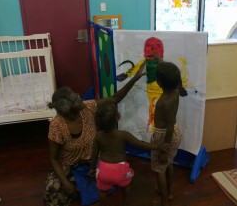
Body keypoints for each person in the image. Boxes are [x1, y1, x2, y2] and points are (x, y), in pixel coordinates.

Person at [43, 63, 146, 206]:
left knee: (111, 179)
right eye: (75, 99)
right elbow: (54, 159)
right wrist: (65, 182)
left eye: (77, 95)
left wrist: (134, 79)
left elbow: (115, 99)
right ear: (66, 108)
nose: (80, 98)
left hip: (91, 162)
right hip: (69, 166)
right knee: (53, 195)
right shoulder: (56, 125)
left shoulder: (88, 107)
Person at [88, 101, 169, 206]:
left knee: (103, 191)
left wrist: (92, 169)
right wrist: (158, 146)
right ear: (117, 117)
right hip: (120, 170)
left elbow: (94, 155)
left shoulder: (98, 136)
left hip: (103, 170)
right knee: (126, 187)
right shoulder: (123, 135)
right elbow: (141, 145)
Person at [151, 59, 182, 206]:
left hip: (164, 136)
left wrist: (165, 147)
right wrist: (161, 60)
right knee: (169, 162)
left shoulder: (164, 102)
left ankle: (164, 202)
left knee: (159, 168)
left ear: (158, 82)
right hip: (174, 132)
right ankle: (169, 193)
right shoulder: (176, 92)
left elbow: (168, 126)